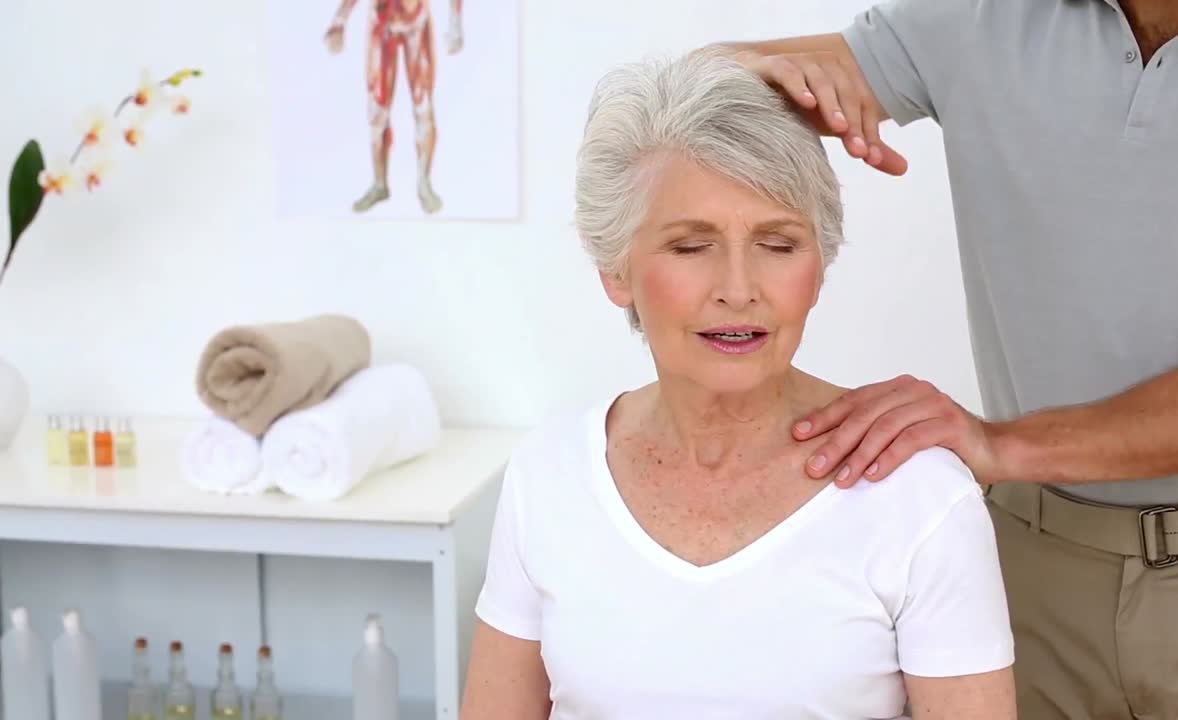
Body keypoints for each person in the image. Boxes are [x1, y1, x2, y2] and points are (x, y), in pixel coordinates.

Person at [718, 0, 1178, 717]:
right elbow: (726, 88)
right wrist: (744, 75)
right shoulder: (980, 14)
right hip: (1023, 581)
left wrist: (1002, 445)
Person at [459, 50, 1016, 719]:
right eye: (691, 247)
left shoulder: (920, 497)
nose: (738, 289)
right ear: (617, 270)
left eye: (778, 245)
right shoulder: (547, 477)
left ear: (818, 264)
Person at [324, 0, 463, 215]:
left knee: (423, 103)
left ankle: (424, 183)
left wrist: (455, 21)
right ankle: (380, 183)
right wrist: (340, 20)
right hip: (381, 24)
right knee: (377, 112)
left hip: (416, 20)